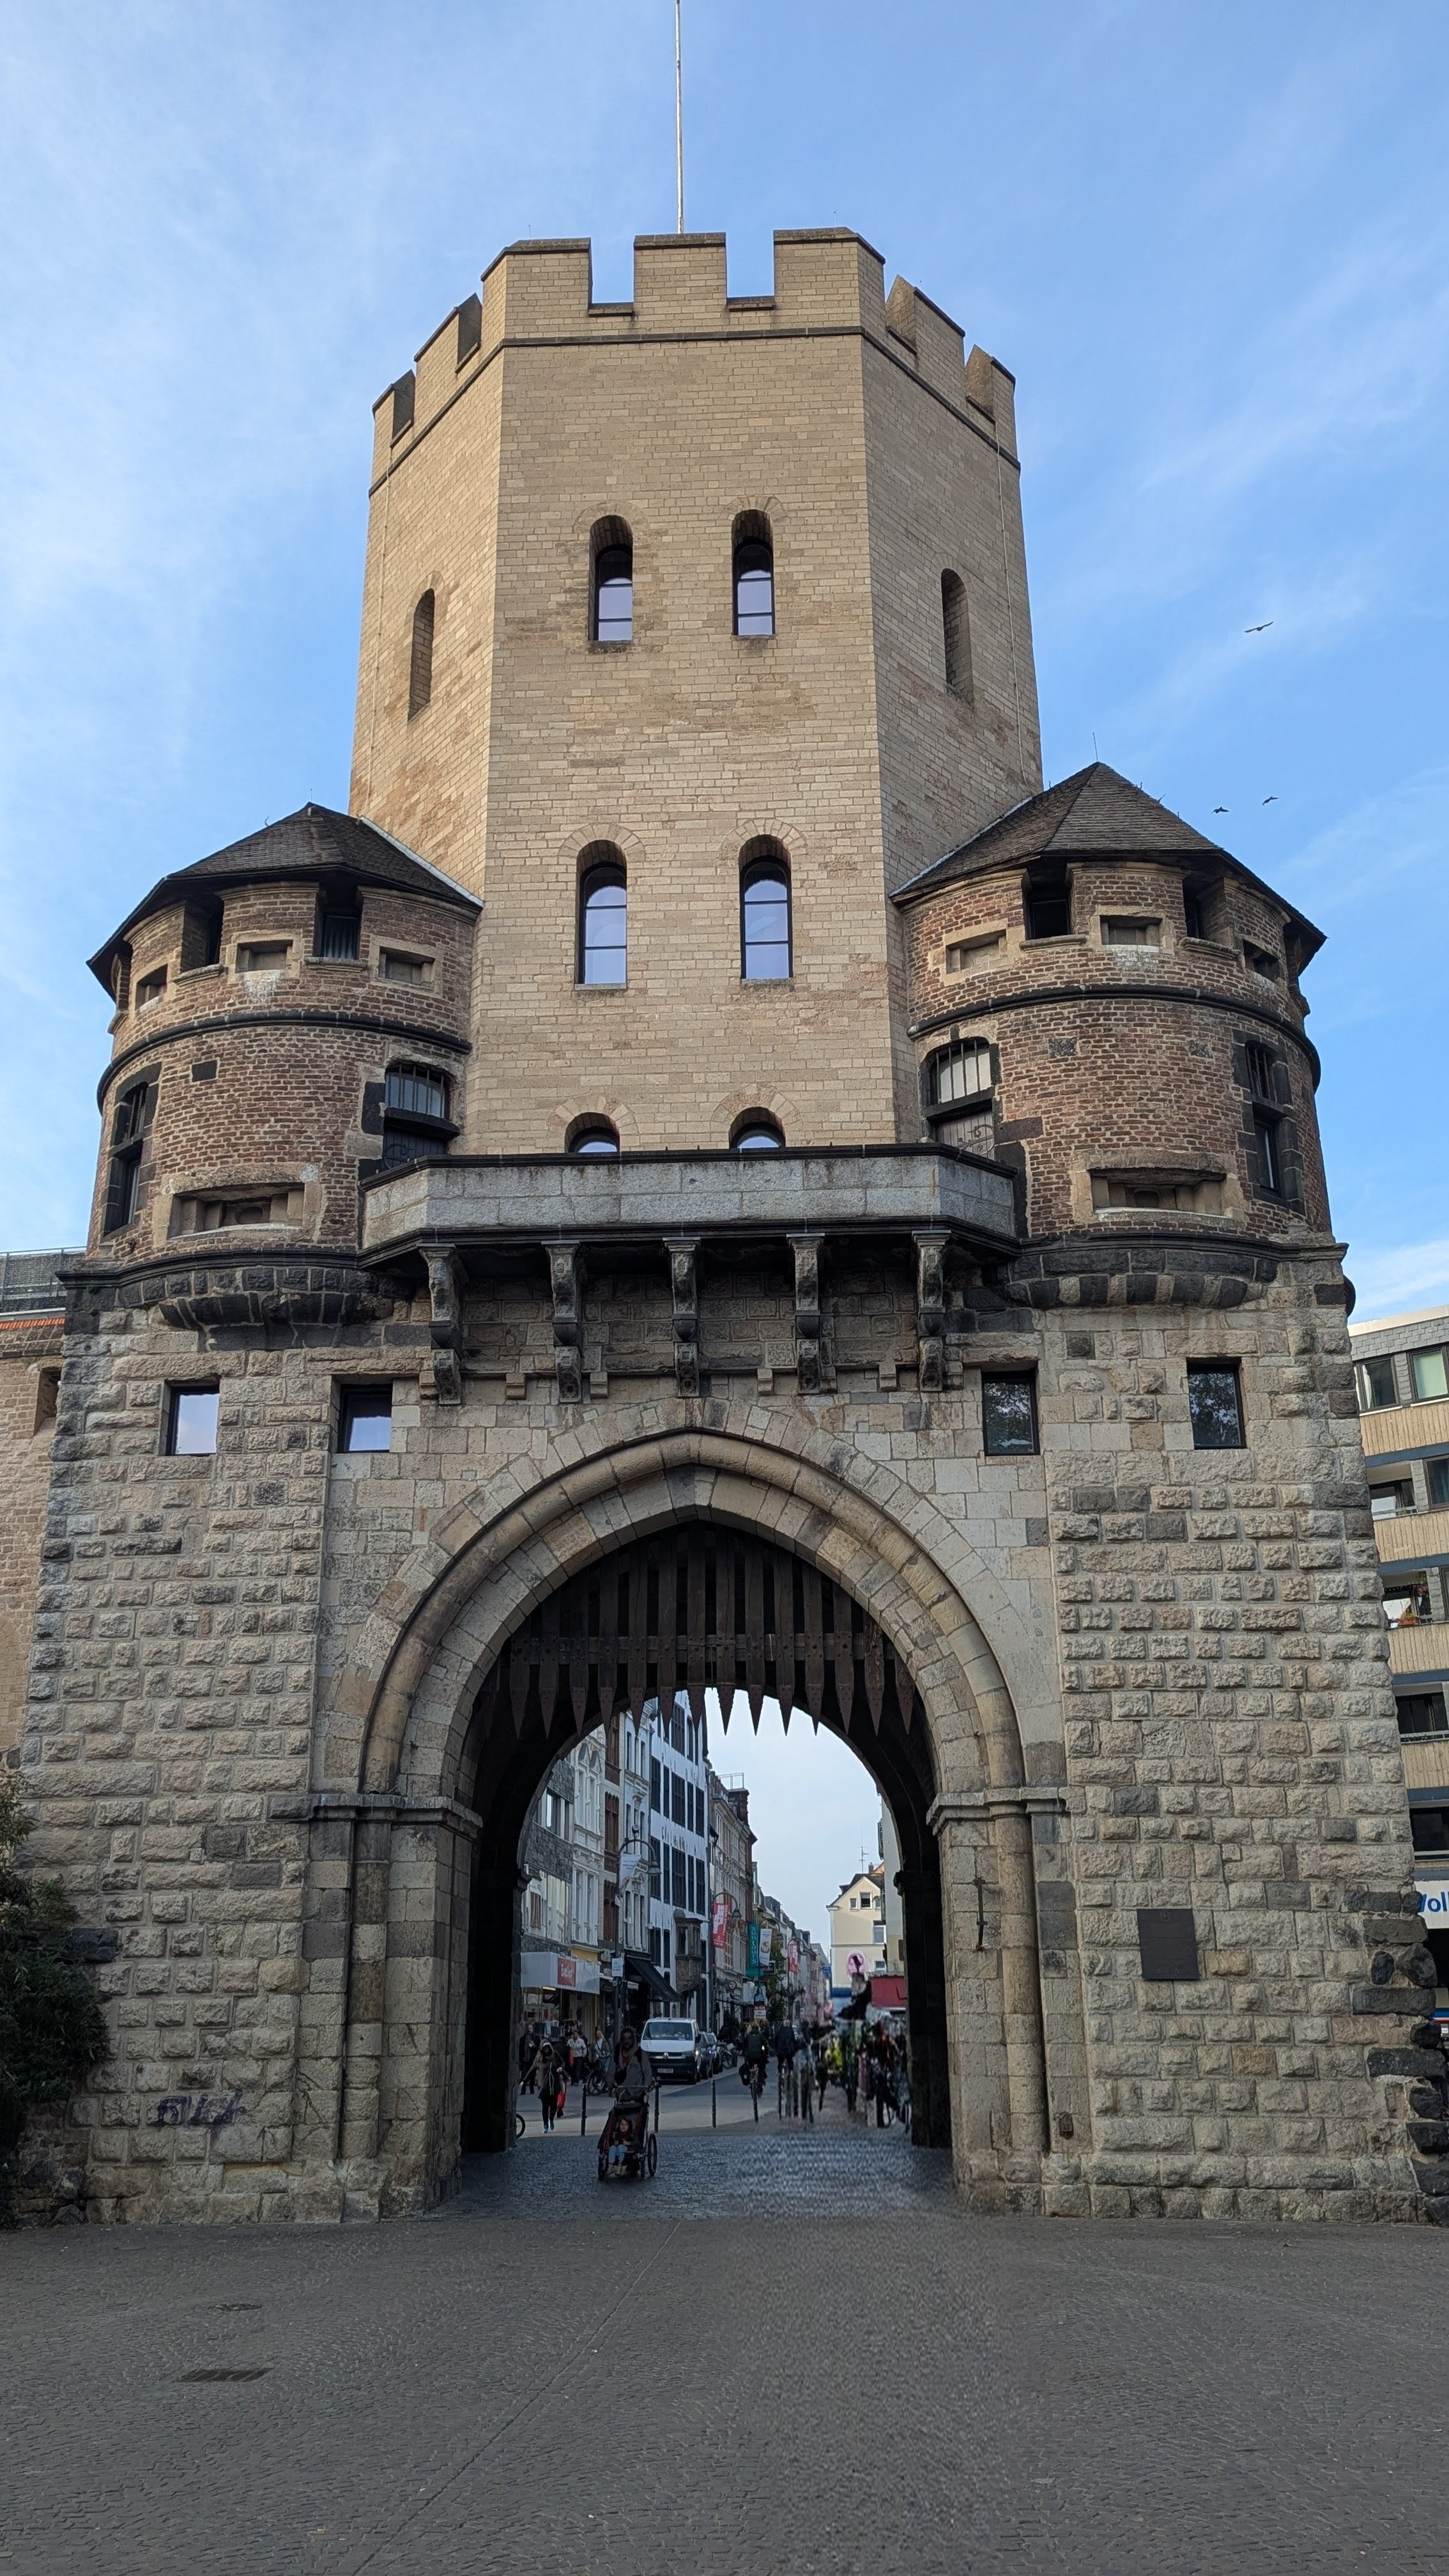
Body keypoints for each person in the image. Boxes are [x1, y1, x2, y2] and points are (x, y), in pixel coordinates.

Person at [536, 2040, 561, 2132]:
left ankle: (551, 2119)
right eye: (544, 2048)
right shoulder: (540, 2058)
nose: (546, 2050)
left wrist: (561, 2068)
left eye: (547, 2048)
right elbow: (532, 2068)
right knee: (545, 2107)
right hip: (544, 2086)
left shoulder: (554, 2056)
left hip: (554, 2085)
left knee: (554, 2106)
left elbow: (562, 2063)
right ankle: (545, 2124)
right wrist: (524, 2081)